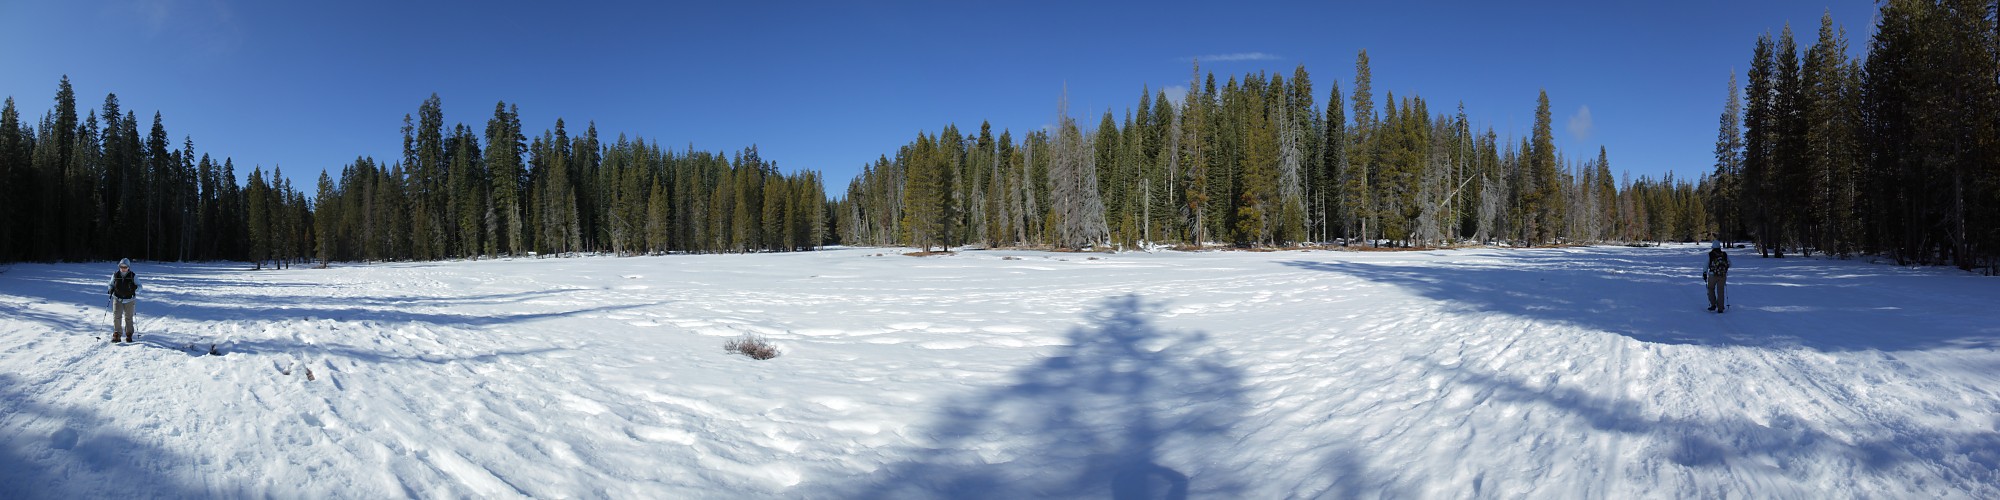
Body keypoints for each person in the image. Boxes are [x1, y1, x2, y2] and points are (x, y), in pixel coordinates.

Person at [106, 258, 141, 343]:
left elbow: (140, 287)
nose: (123, 269)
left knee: (128, 317)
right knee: (116, 316)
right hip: (117, 298)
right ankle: (117, 334)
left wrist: (135, 288)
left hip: (129, 299)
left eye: (125, 267)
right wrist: (110, 289)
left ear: (128, 267)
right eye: (121, 267)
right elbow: (110, 284)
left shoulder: (133, 276)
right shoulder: (115, 275)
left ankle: (129, 334)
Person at [1703, 241, 1730, 313]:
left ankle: (1713, 304)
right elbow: (1730, 264)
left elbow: (1705, 265)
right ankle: (1720, 308)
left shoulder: (1710, 254)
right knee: (1720, 290)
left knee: (1710, 288)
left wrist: (1704, 273)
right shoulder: (1724, 254)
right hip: (1722, 275)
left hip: (1712, 275)